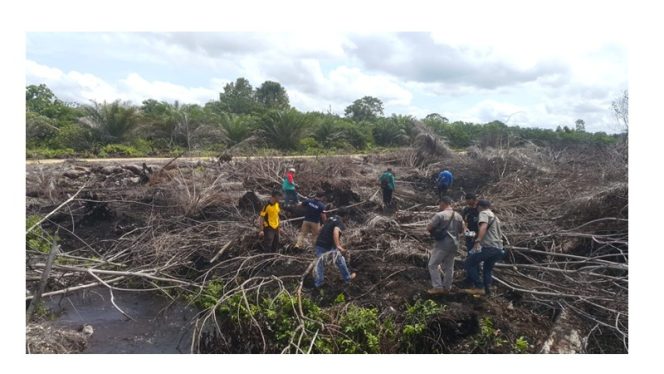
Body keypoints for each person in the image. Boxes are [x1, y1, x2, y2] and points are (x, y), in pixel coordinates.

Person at [463, 199, 505, 296]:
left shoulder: (483, 213)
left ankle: (479, 287)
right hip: (498, 248)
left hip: (489, 247)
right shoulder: (494, 216)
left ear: (480, 207)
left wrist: (478, 240)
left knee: (469, 263)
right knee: (487, 268)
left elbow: (483, 227)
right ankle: (488, 291)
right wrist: (469, 233)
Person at [426, 196, 465, 295]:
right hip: (454, 244)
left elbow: (429, 227)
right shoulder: (458, 216)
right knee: (449, 267)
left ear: (443, 203)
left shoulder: (440, 215)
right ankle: (447, 288)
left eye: (440, 204)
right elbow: (461, 230)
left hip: (442, 244)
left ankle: (437, 287)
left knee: (432, 264)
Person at [313, 215, 356, 288]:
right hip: (328, 245)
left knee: (319, 263)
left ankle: (319, 283)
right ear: (345, 218)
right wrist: (338, 246)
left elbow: (320, 229)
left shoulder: (329, 220)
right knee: (340, 260)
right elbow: (335, 231)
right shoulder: (339, 222)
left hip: (319, 243)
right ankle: (347, 278)